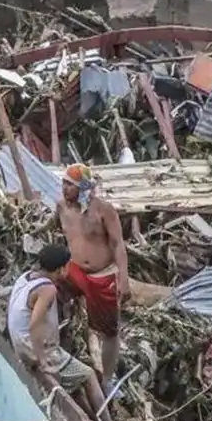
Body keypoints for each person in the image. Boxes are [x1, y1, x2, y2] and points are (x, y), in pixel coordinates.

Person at [7, 243, 112, 421]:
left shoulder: (26, 278)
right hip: (34, 347)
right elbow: (34, 324)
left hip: (20, 343)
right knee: (89, 375)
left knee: (75, 383)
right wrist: (41, 360)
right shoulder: (48, 289)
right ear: (61, 269)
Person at [56, 163, 129, 391]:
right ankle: (58, 354)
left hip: (101, 275)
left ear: (83, 188)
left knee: (108, 330)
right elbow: (54, 225)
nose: (64, 188)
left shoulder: (103, 210)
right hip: (73, 269)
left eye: (70, 184)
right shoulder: (61, 207)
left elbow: (118, 244)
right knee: (52, 297)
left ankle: (107, 379)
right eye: (64, 182)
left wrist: (124, 278)